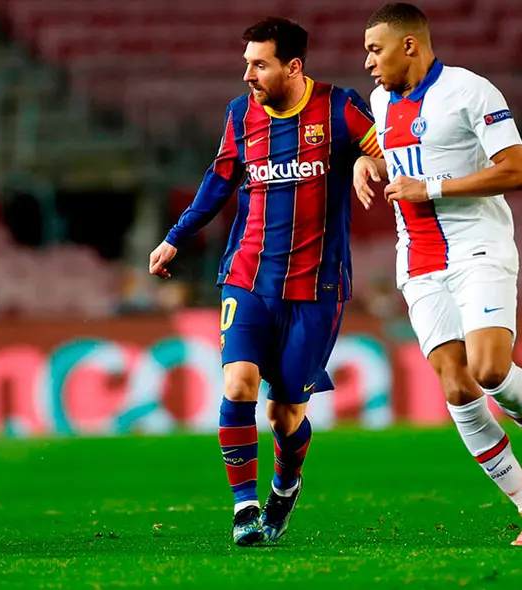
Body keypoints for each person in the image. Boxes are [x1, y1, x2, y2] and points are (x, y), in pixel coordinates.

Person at [149, 17, 383, 546]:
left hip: (318, 287)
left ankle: (285, 485)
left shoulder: (340, 108)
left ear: (292, 66)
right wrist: (175, 238)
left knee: (284, 414)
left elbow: (384, 150)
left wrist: (364, 165)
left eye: (260, 64)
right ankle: (244, 508)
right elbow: (218, 182)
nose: (248, 75)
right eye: (246, 64)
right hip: (248, 276)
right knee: (238, 384)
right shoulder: (240, 115)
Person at [355, 2, 522, 546]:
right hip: (420, 263)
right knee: (458, 387)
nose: (368, 64)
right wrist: (367, 162)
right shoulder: (382, 100)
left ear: (409, 45)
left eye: (375, 50)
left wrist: (431, 188)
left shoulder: (471, 91)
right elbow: (392, 146)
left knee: (491, 370)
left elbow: (515, 167)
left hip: (477, 248)